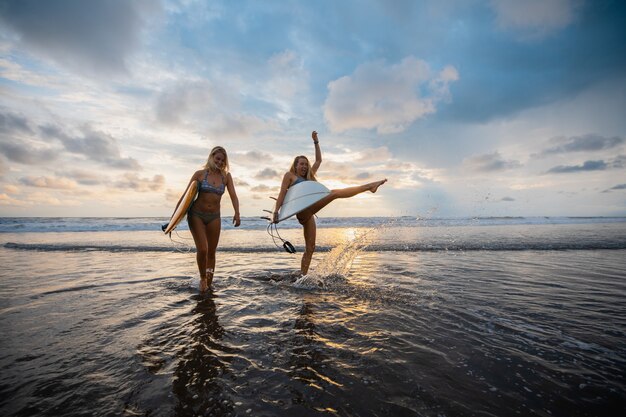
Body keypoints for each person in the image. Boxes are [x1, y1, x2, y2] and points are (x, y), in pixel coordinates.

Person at [272, 131, 387, 275]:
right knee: (334, 193)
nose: (304, 167)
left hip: (310, 214)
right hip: (302, 211)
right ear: (295, 166)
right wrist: (276, 212)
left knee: (311, 247)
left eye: (306, 165)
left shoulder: (309, 177)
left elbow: (319, 161)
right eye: (301, 164)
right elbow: (282, 193)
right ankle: (369, 187)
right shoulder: (290, 176)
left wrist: (316, 142)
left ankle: (302, 276)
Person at [178, 146, 240, 292]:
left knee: (212, 252)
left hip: (214, 217)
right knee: (203, 249)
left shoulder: (226, 177)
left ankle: (209, 283)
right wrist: (173, 219)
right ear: (211, 157)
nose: (220, 162)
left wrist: (237, 213)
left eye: (223, 161)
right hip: (196, 215)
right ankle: (203, 279)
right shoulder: (200, 174)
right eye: (217, 159)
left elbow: (233, 196)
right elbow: (184, 197)